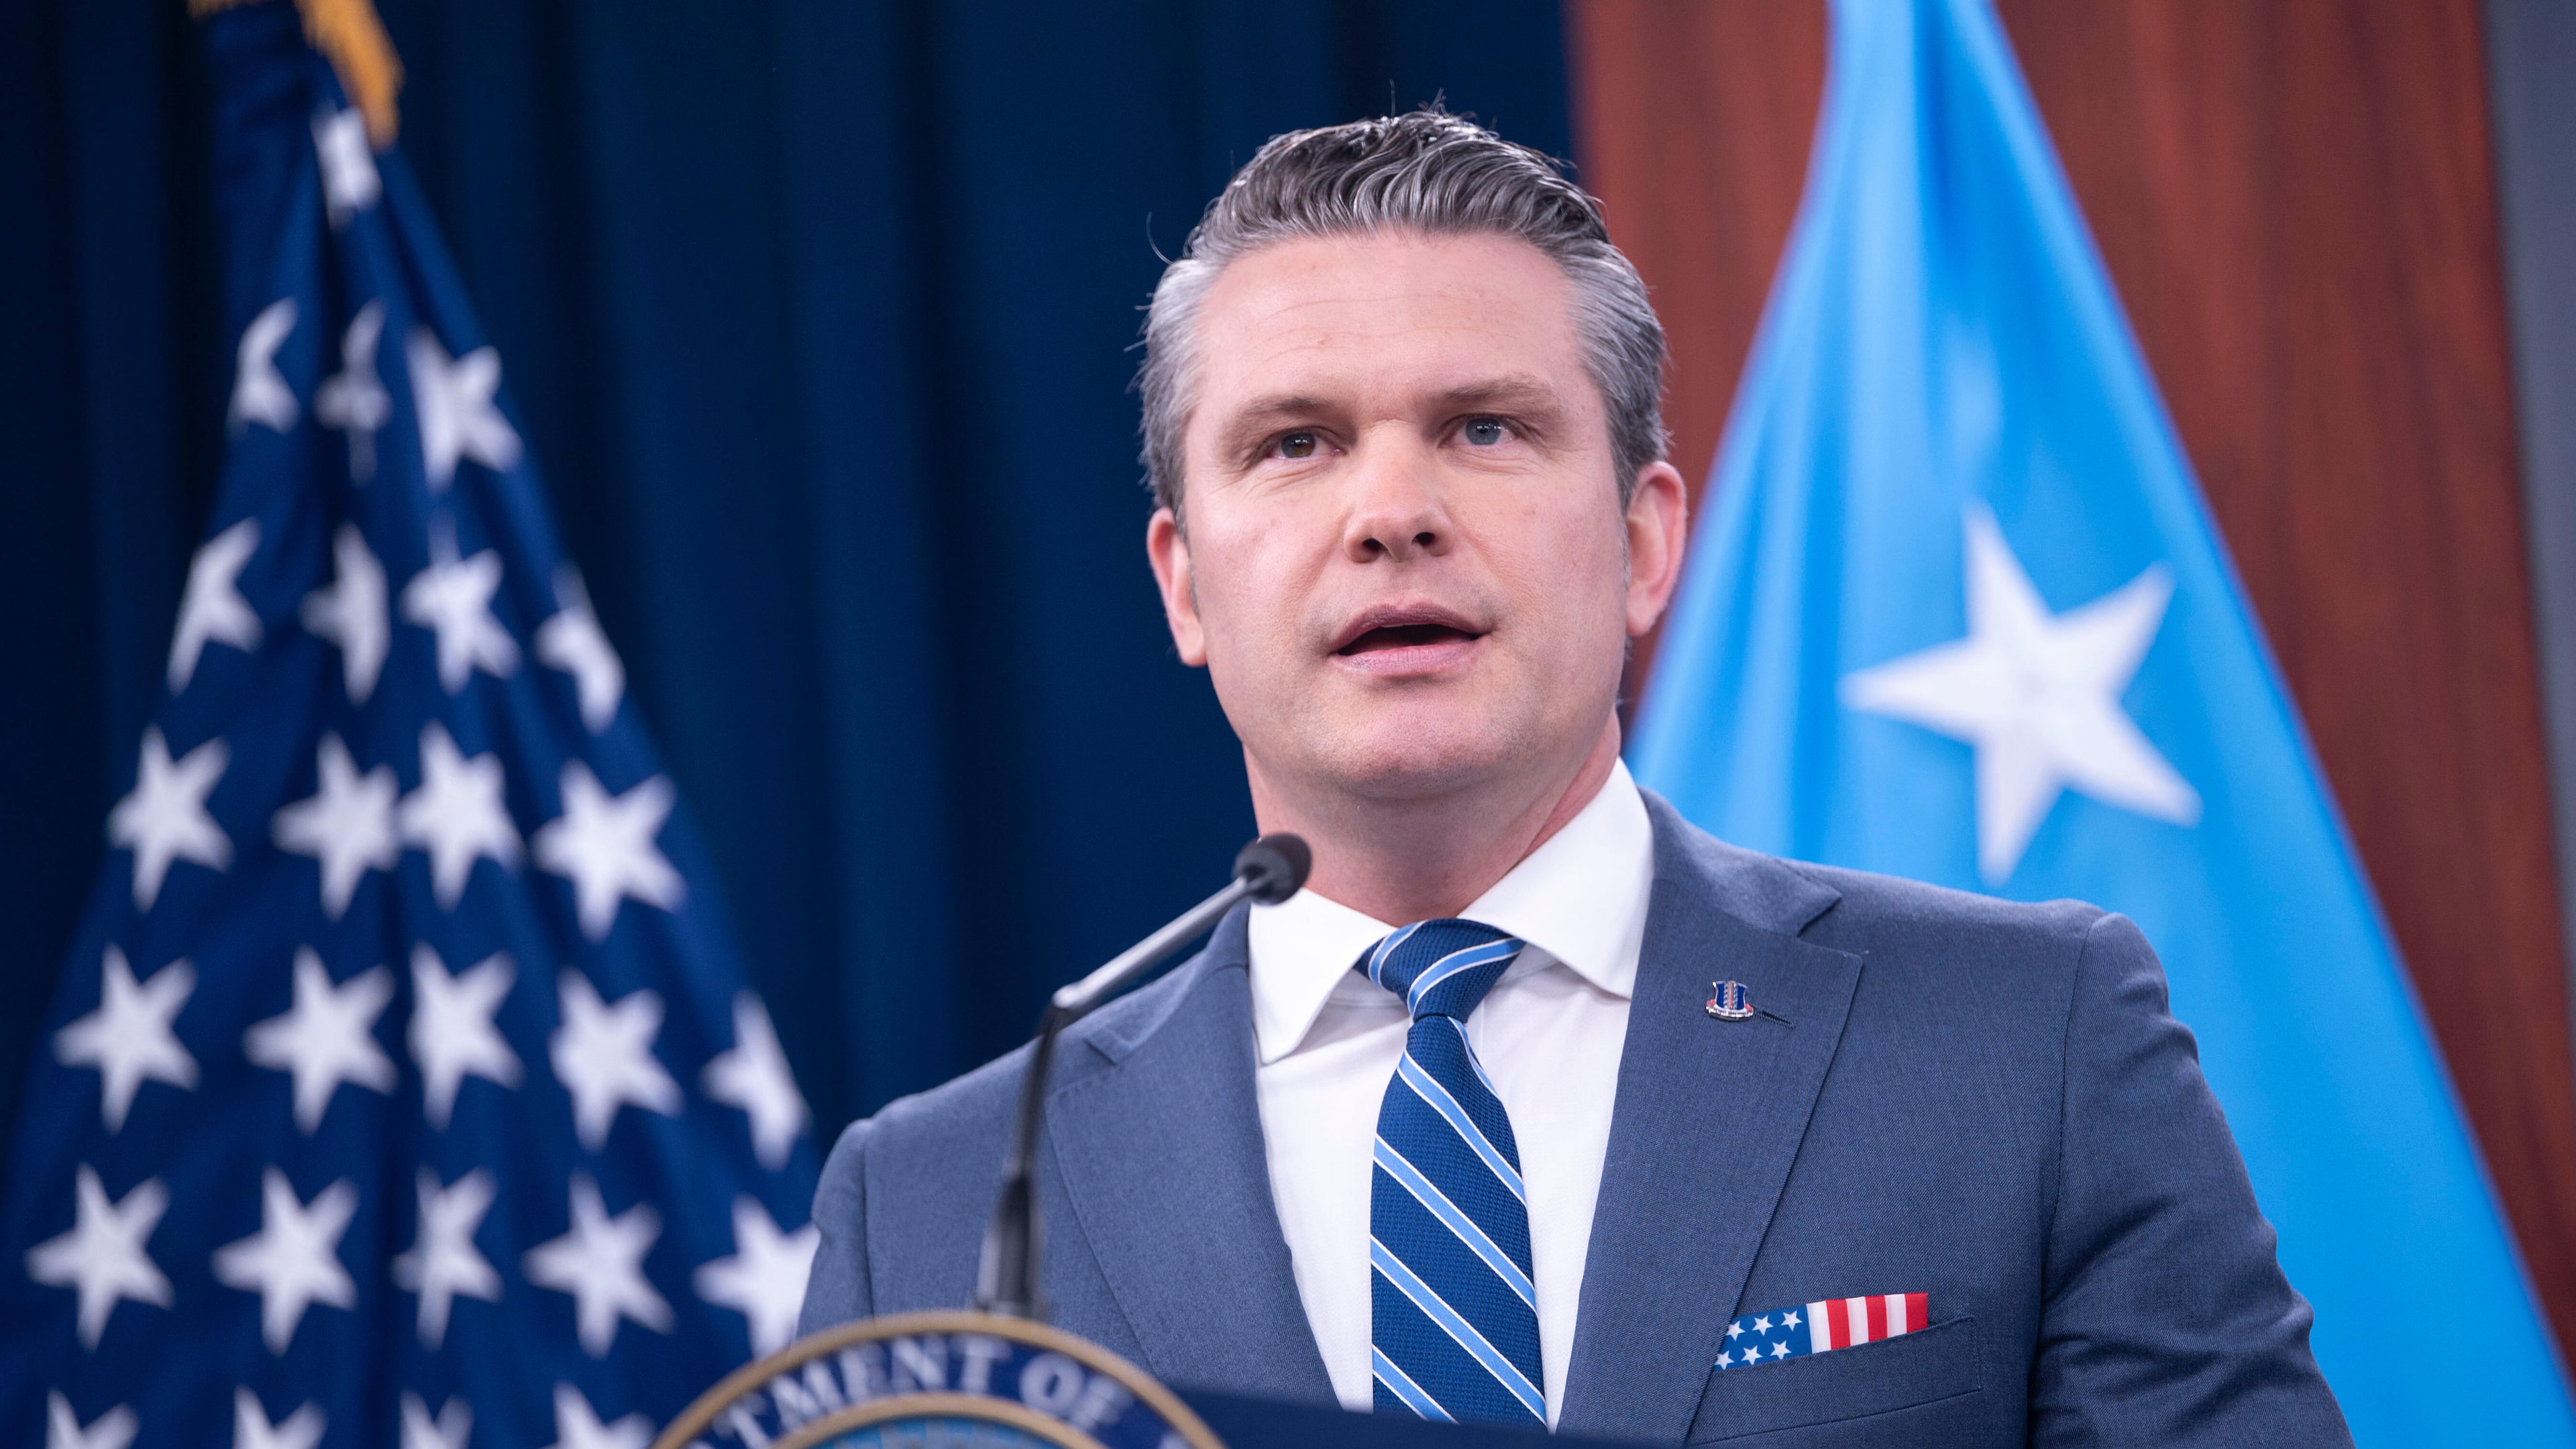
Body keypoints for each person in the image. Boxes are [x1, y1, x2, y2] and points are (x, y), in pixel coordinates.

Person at [798, 110, 2351, 1446]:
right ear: (1185, 586)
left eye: (1485, 427)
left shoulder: (2025, 1044)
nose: (1392, 511)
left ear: (1646, 541)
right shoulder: (932, 1203)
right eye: (1294, 444)